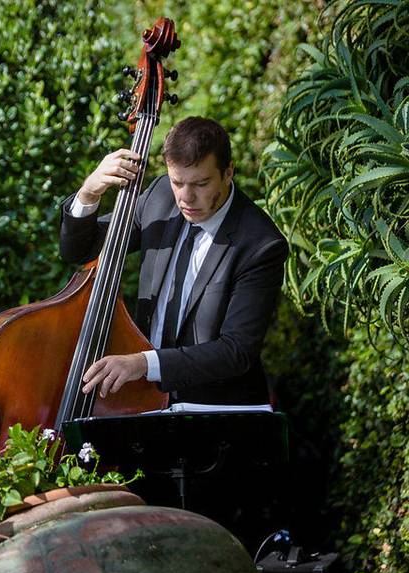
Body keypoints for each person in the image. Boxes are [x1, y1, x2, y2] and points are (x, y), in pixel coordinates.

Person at [59, 116, 288, 406]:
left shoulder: (260, 244)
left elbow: (236, 351)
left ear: (228, 172)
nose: (186, 197)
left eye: (201, 184)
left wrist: (144, 363)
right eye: (177, 181)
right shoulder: (160, 196)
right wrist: (89, 192)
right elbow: (80, 251)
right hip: (142, 400)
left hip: (215, 411)